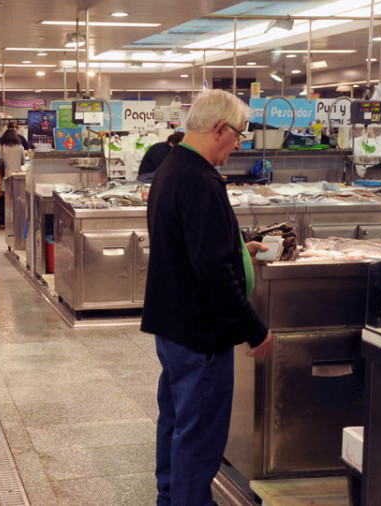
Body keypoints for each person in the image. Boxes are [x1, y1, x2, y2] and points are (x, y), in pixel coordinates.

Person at [141, 89, 273, 505]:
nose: (238, 145)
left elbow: (194, 247)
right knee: (199, 437)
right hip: (201, 336)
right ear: (220, 128)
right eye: (239, 135)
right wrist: (254, 330)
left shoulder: (172, 166)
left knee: (177, 421)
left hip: (173, 327)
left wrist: (238, 250)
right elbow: (212, 272)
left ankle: (172, 496)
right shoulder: (199, 180)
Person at [0, 128, 25, 229]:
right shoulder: (20, 147)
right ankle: (16, 222)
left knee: (2, 201)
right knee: (17, 200)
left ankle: (3, 223)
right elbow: (23, 163)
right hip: (16, 178)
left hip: (4, 177)